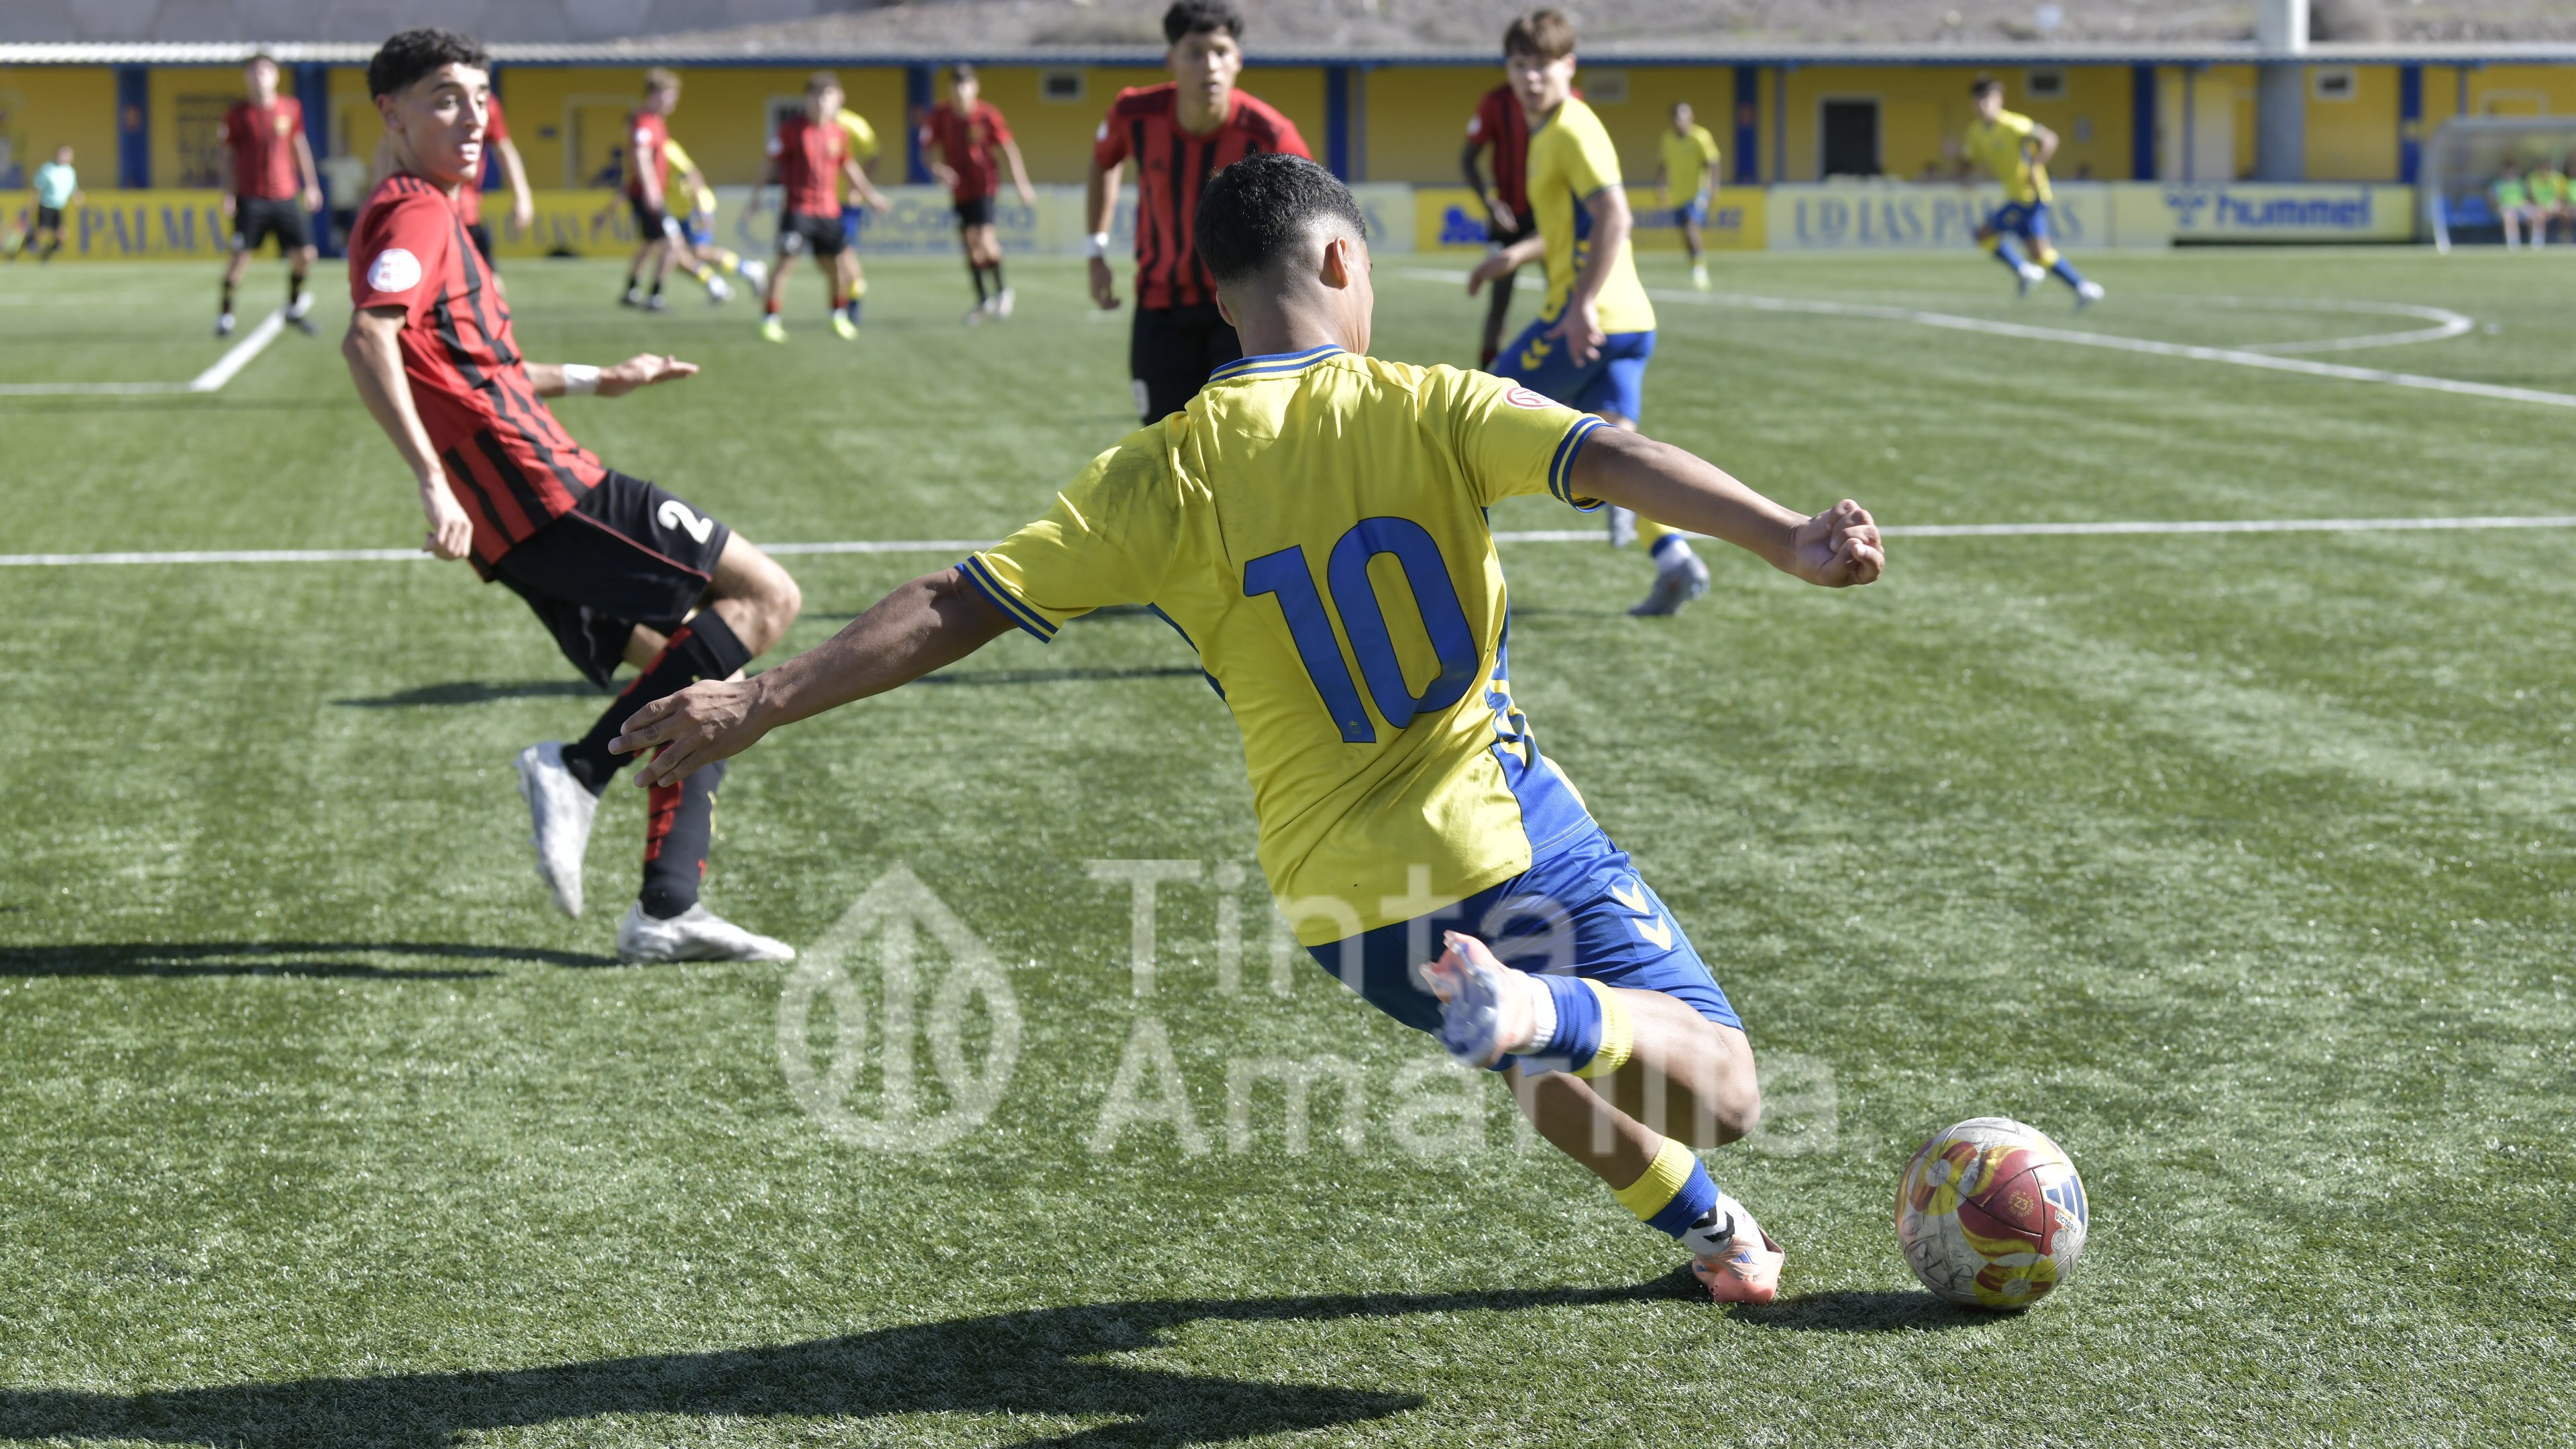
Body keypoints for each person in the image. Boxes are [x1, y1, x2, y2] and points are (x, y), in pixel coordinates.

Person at [613, 154, 1884, 1303]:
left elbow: (956, 602)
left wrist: (757, 698)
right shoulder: (1427, 402)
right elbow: (1613, 453)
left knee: (1526, 1048)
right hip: (1501, 838)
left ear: (1222, 303)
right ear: (1341, 262)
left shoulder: (1161, 471)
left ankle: (1718, 1235)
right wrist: (1784, 537)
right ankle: (1546, 1018)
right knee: (1720, 1083)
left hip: (1344, 905)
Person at [341, 28, 804, 963]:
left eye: (479, 95)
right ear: (390, 113)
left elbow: (475, 368)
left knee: (694, 681)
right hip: (540, 484)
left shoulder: (425, 211)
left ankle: (668, 910)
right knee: (766, 599)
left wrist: (603, 377)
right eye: (443, 96)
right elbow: (368, 338)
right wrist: (432, 482)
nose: (471, 115)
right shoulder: (417, 214)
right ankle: (578, 770)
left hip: (510, 517)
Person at [1468, 10, 1709, 617]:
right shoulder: (1553, 131)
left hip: (1587, 324)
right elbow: (1568, 227)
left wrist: (1578, 306)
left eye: (1543, 65)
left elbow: (1615, 217)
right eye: (1519, 65)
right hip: (1630, 324)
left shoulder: (1571, 128)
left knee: (1469, 425)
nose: (1530, 77)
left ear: (1568, 67)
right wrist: (1514, 256)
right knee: (1620, 462)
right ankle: (1675, 559)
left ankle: (1428, 580)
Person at [1085, 0, 1312, 423]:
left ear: (1238, 60)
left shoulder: (1271, 134)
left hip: (1241, 312)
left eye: (1221, 52)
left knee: (1242, 447)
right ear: (1171, 59)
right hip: (1159, 309)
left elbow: (1311, 213)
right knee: (1164, 446)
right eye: (1195, 52)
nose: (1209, 65)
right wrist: (1095, 249)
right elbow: (1103, 162)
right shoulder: (1133, 115)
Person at [752, 72, 885, 341]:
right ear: (808, 100)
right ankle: (769, 319)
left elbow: (848, 167)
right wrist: (756, 195)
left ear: (837, 100)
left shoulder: (839, 133)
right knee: (785, 264)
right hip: (798, 210)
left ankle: (838, 316)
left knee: (837, 266)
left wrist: (870, 196)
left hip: (829, 211)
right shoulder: (792, 130)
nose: (822, 103)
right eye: (817, 97)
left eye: (827, 97)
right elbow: (769, 162)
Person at [1957, 77, 2102, 309]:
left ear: (1999, 100)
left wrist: (2036, 166)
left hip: (2030, 196)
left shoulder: (2014, 125)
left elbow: (2049, 139)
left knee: (1984, 234)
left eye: (1988, 99)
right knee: (2040, 254)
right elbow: (1969, 159)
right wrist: (1964, 176)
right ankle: (2084, 287)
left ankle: (2024, 271)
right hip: (2017, 196)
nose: (1983, 105)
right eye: (1978, 100)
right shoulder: (1976, 131)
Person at [217, 50, 325, 338]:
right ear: (247, 77)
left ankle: (293, 308)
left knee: (305, 254)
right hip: (252, 198)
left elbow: (299, 148)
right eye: (254, 72)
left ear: (275, 76)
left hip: (286, 195)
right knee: (240, 258)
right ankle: (225, 316)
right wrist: (228, 193)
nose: (260, 77)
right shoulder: (238, 114)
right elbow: (228, 157)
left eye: (266, 71)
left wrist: (311, 186)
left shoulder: (290, 108)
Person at [921, 63, 1036, 325]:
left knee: (985, 240)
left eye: (966, 85)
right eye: (956, 85)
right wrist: (938, 169)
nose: (961, 90)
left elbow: (1009, 149)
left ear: (975, 87)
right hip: (959, 188)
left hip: (985, 186)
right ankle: (984, 301)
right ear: (950, 88)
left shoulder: (987, 115)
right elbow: (926, 151)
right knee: (970, 247)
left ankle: (1004, 291)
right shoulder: (940, 115)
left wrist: (1023, 185)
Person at [618, 70, 731, 309]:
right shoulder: (645, 121)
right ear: (654, 94)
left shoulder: (657, 121)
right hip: (649, 195)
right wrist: (651, 190)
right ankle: (655, 297)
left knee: (651, 243)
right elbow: (641, 155)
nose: (672, 102)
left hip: (650, 193)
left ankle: (632, 291)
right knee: (674, 243)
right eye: (669, 96)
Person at [1461, 72, 1537, 370]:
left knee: (1568, 296)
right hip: (1508, 220)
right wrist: (1491, 205)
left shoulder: (1569, 101)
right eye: (1521, 62)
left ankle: (1575, 381)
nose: (1531, 74)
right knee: (1499, 304)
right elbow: (1468, 159)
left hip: (1550, 221)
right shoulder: (1496, 102)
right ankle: (1487, 376)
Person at [662, 135, 768, 298]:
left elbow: (693, 175)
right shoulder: (643, 155)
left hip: (694, 207)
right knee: (675, 255)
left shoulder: (666, 148)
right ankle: (716, 286)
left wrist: (702, 211)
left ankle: (749, 270)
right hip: (677, 211)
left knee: (699, 252)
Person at [833, 100, 892, 320]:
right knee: (834, 258)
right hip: (821, 202)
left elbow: (873, 154)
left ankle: (853, 303)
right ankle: (844, 302)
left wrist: (861, 187)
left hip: (846, 202)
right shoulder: (813, 126)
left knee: (846, 254)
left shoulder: (852, 123)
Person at [459, 90, 532, 267]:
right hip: (428, 209)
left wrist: (522, 196)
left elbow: (504, 148)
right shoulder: (422, 101)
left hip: (466, 211)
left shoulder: (486, 104)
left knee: (489, 282)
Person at [1655, 101, 1720, 292]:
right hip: (1678, 193)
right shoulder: (1667, 139)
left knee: (1692, 227)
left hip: (1698, 191)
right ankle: (1696, 266)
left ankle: (1701, 272)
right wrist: (1661, 186)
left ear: (1691, 118)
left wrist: (1714, 187)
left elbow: (1713, 162)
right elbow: (1663, 164)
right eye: (1676, 117)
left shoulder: (1701, 137)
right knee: (1685, 231)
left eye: (1684, 117)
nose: (1680, 121)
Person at [7, 144, 79, 262]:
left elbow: (73, 188)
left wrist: (77, 196)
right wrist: (32, 203)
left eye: (68, 155)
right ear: (57, 155)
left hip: (59, 207)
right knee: (41, 233)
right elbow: (37, 187)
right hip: (46, 205)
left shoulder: (70, 171)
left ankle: (45, 256)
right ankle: (14, 254)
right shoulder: (48, 169)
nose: (66, 157)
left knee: (62, 235)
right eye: (63, 154)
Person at [2490, 167, 2538, 249]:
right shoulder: (2498, 184)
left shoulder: (2521, 183)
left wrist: (2526, 203)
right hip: (2506, 207)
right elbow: (2493, 200)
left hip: (2520, 206)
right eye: (2508, 171)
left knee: (2536, 214)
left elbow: (2529, 197)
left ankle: (2537, 242)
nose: (2510, 173)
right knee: (2510, 217)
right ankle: (2513, 243)